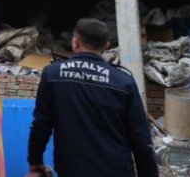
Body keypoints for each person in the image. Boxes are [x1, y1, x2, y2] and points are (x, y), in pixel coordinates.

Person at [27, 18, 157, 177]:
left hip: (71, 169)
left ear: (75, 43)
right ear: (106, 45)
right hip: (115, 170)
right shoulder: (123, 82)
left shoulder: (53, 75)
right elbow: (141, 138)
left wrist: (35, 160)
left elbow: (41, 124)